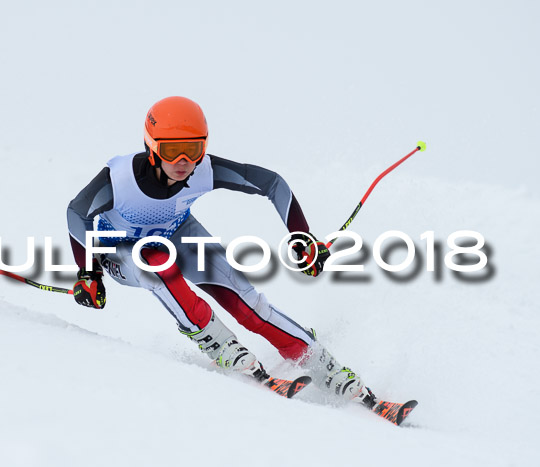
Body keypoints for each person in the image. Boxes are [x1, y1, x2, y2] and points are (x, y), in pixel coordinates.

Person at [67, 96, 377, 408]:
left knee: (247, 302)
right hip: (119, 250)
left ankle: (322, 363)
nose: (183, 161)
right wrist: (89, 272)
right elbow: (77, 213)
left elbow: (272, 184)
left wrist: (302, 237)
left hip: (177, 234)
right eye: (172, 151)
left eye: (195, 149)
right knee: (156, 263)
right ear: (151, 148)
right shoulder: (120, 180)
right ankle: (217, 341)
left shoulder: (204, 169)